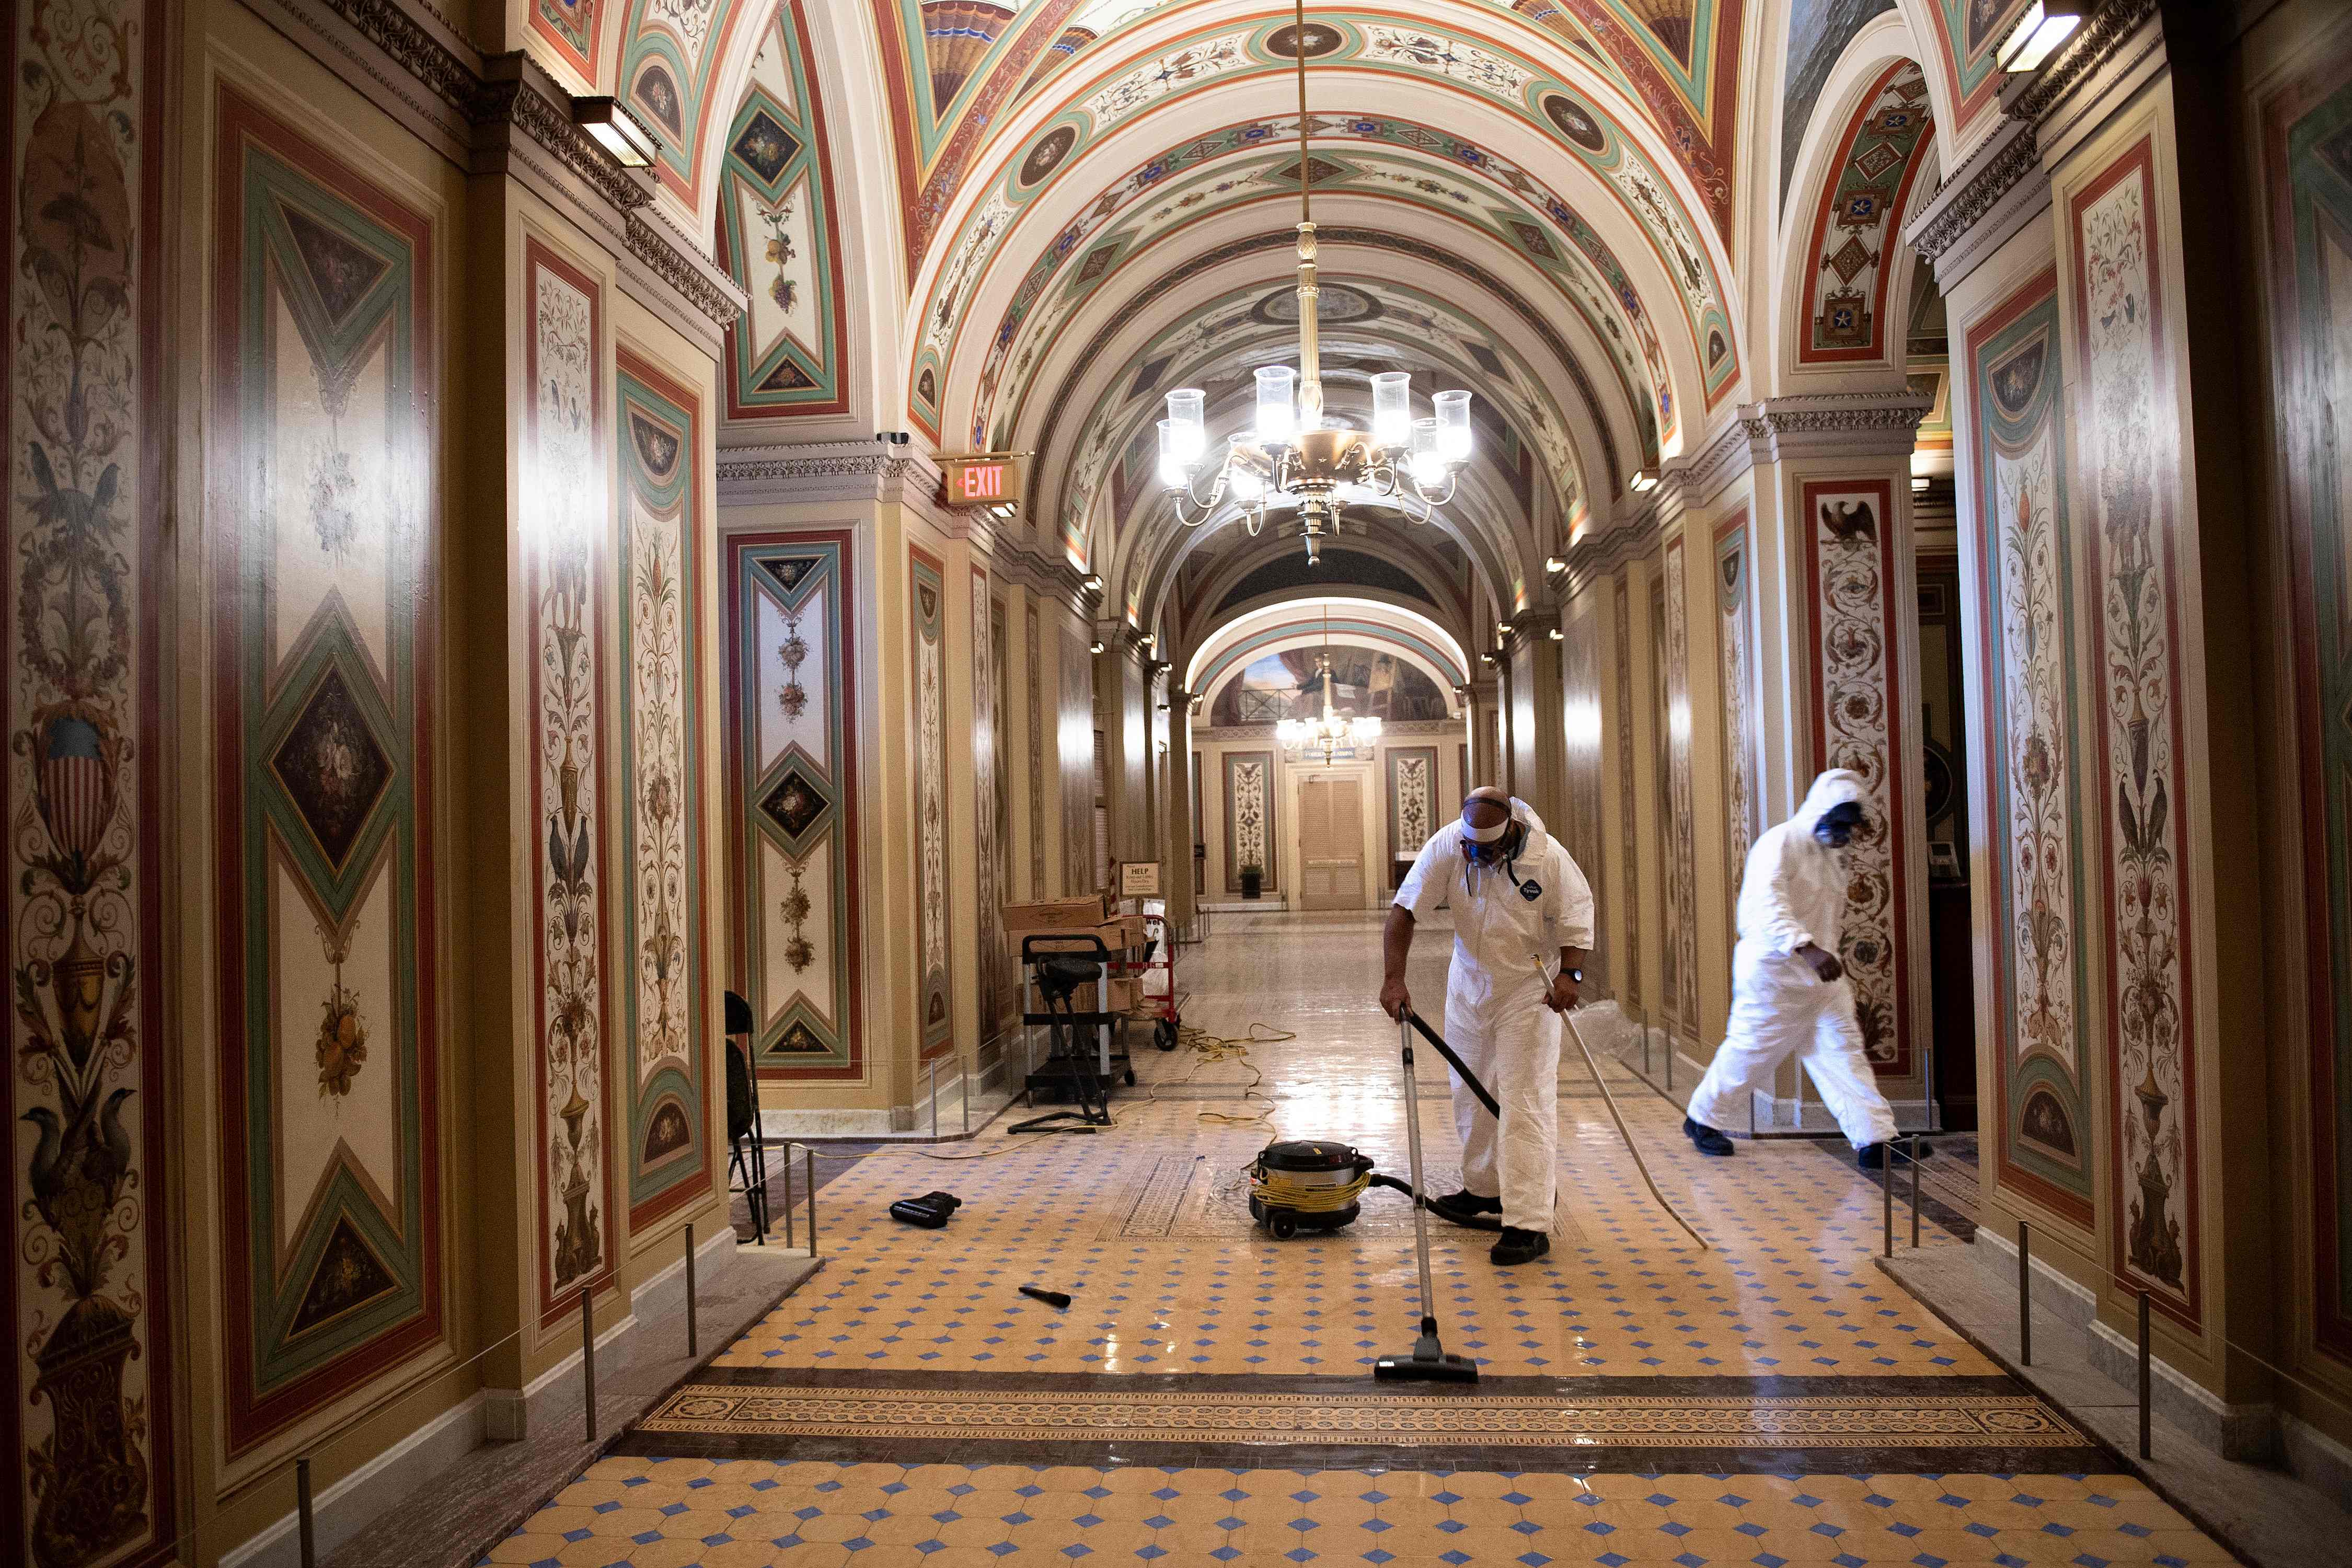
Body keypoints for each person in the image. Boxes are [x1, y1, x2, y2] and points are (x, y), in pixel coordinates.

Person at [1380, 788, 1594, 1265]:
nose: (1475, 857)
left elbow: (1578, 922)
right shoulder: (1449, 845)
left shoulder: (1549, 859)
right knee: (1470, 1090)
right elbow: (1404, 912)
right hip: (1469, 984)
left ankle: (1529, 1222)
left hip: (1529, 988)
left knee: (1525, 1100)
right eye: (1470, 849)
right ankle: (1484, 1189)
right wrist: (1394, 980)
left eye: (1486, 851)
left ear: (1510, 836)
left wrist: (1570, 975)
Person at [1681, 769, 1906, 1168]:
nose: (1843, 835)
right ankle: (1703, 1119)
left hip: (1821, 980)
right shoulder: (1781, 841)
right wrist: (1805, 947)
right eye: (1838, 825)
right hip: (1775, 972)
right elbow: (1766, 904)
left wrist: (1820, 953)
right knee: (1752, 1051)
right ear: (1819, 812)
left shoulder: (1831, 855)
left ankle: (1875, 1139)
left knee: (1844, 1054)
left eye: (1849, 829)